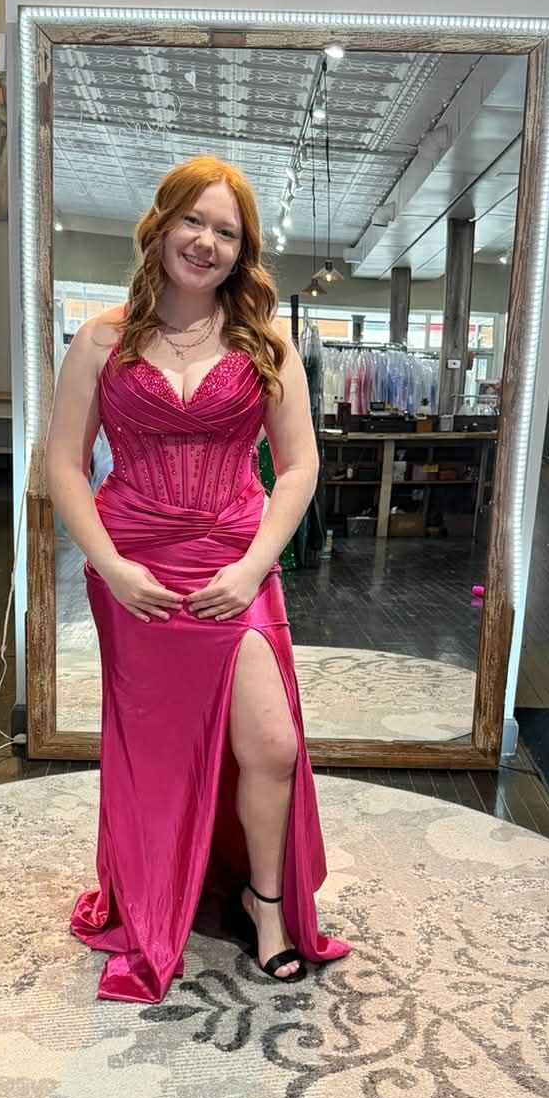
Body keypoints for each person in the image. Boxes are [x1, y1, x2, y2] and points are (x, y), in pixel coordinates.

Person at [45, 155, 352, 1004]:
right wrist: (110, 567)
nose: (206, 242)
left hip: (235, 564)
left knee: (272, 745)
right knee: (157, 752)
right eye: (194, 221)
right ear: (161, 224)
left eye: (227, 232)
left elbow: (299, 466)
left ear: (242, 251)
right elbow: (63, 464)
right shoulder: (101, 341)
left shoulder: (265, 344)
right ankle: (154, 899)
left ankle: (266, 903)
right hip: (135, 569)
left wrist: (255, 567)